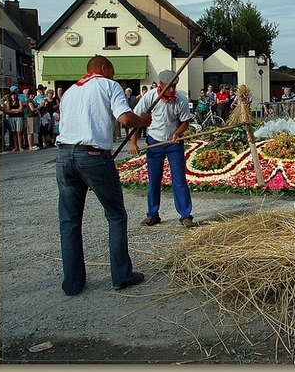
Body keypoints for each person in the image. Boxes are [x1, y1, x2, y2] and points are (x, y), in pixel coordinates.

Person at [55, 55, 151, 296]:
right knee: (116, 215)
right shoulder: (109, 86)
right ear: (104, 68)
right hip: (94, 157)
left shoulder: (69, 92)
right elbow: (126, 119)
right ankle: (121, 276)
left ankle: (72, 283)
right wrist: (143, 120)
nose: (114, 76)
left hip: (65, 155)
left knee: (69, 221)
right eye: (113, 72)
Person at [129, 70, 196, 229]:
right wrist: (133, 143)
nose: (172, 90)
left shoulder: (180, 100)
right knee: (154, 179)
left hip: (174, 144)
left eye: (174, 86)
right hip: (154, 142)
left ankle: (185, 215)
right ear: (161, 85)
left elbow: (185, 122)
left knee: (179, 180)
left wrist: (177, 133)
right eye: (169, 87)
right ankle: (153, 214)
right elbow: (135, 120)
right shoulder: (151, 97)